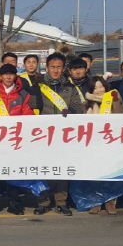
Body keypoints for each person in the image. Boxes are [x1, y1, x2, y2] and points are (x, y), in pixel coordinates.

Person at [34, 53, 84, 216]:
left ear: (64, 69)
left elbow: (78, 106)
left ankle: (61, 202)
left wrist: (72, 111)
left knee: (62, 169)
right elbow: (32, 106)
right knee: (43, 169)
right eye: (53, 67)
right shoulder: (38, 85)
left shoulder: (70, 87)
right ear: (47, 68)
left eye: (59, 67)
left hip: (64, 135)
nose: (56, 70)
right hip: (43, 135)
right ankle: (43, 201)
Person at [0, 63, 34, 216]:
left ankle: (14, 203)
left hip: (15, 140)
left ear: (16, 76)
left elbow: (28, 113)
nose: (9, 77)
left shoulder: (23, 94)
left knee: (14, 172)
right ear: (1, 76)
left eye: (12, 74)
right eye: (5, 74)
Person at [81, 76, 123, 215]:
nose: (98, 90)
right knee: (95, 174)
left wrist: (115, 101)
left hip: (111, 142)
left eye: (100, 86)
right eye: (95, 88)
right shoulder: (86, 104)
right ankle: (95, 202)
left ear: (106, 87)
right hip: (93, 143)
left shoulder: (115, 98)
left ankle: (110, 201)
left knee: (111, 173)